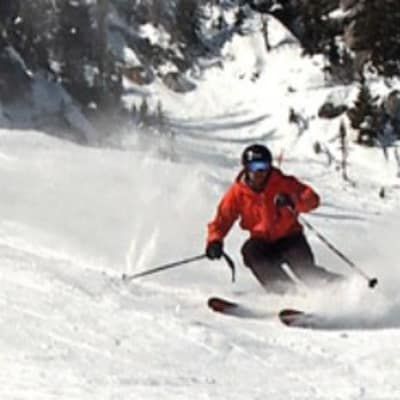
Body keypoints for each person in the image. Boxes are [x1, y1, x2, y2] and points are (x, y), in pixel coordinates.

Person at [205, 144, 340, 293]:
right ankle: (285, 292)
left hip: (290, 239)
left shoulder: (282, 183)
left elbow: (312, 198)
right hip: (263, 243)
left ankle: (341, 288)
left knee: (306, 273)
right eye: (255, 166)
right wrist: (215, 241)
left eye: (264, 166)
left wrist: (293, 201)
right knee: (250, 251)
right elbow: (223, 219)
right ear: (246, 168)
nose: (260, 172)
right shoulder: (238, 193)